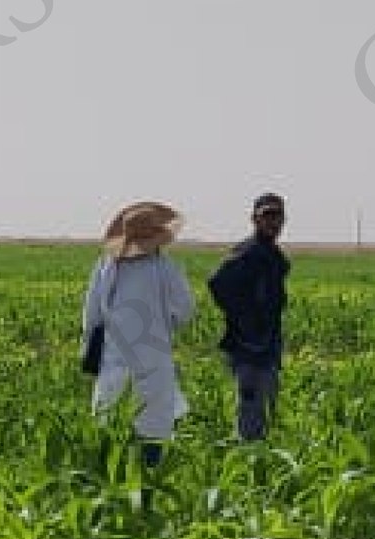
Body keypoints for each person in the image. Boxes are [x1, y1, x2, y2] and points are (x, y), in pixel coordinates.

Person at [85, 201, 199, 466]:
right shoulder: (165, 268)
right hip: (153, 369)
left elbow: (91, 319)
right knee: (151, 444)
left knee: (113, 445)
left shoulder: (105, 267)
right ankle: (145, 501)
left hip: (113, 369)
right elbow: (185, 311)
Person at [206, 193, 291, 443]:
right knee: (251, 410)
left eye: (277, 216)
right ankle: (248, 461)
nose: (273, 222)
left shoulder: (274, 256)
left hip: (268, 344)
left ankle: (258, 459)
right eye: (267, 216)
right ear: (254, 219)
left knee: (266, 406)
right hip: (248, 346)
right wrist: (244, 319)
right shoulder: (247, 252)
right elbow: (217, 283)